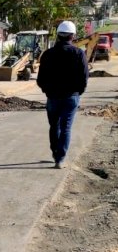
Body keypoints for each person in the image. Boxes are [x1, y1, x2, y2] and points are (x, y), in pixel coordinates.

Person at [36, 21, 89, 169]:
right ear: (72, 36)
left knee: (54, 126)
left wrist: (47, 91)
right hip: (71, 97)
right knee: (66, 128)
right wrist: (78, 92)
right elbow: (84, 78)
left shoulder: (47, 54)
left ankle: (55, 153)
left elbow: (40, 79)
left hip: (52, 97)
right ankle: (60, 158)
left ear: (58, 35)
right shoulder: (78, 53)